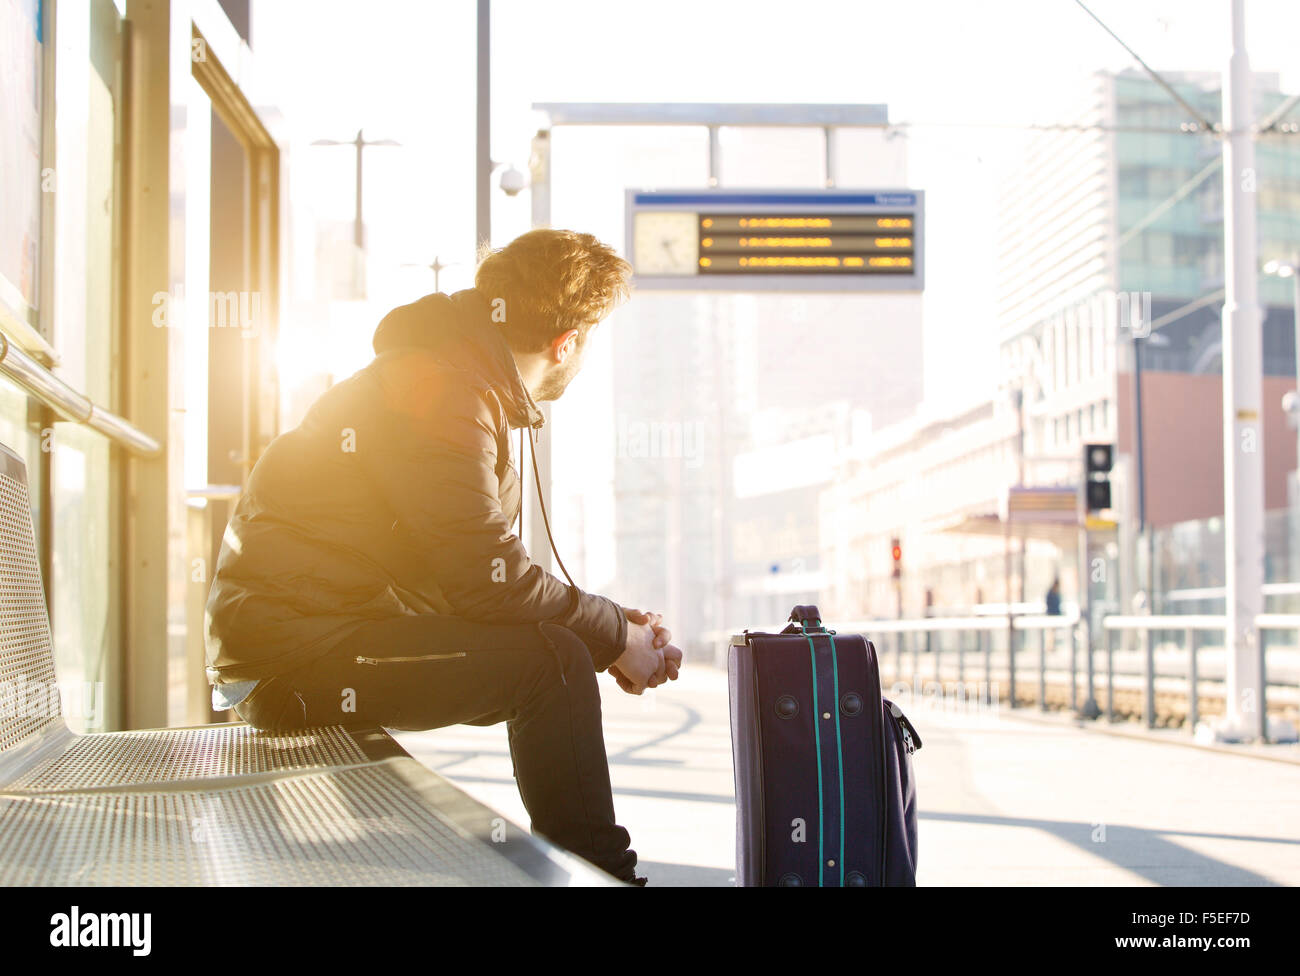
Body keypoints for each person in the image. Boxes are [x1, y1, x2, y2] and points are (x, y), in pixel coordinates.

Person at [203, 228, 682, 885]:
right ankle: (604, 879)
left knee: (558, 651)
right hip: (294, 659)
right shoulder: (444, 395)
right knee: (552, 664)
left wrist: (614, 630)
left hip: (301, 641)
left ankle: (597, 873)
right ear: (565, 344)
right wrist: (609, 634)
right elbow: (488, 584)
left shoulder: (446, 379)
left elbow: (468, 577)